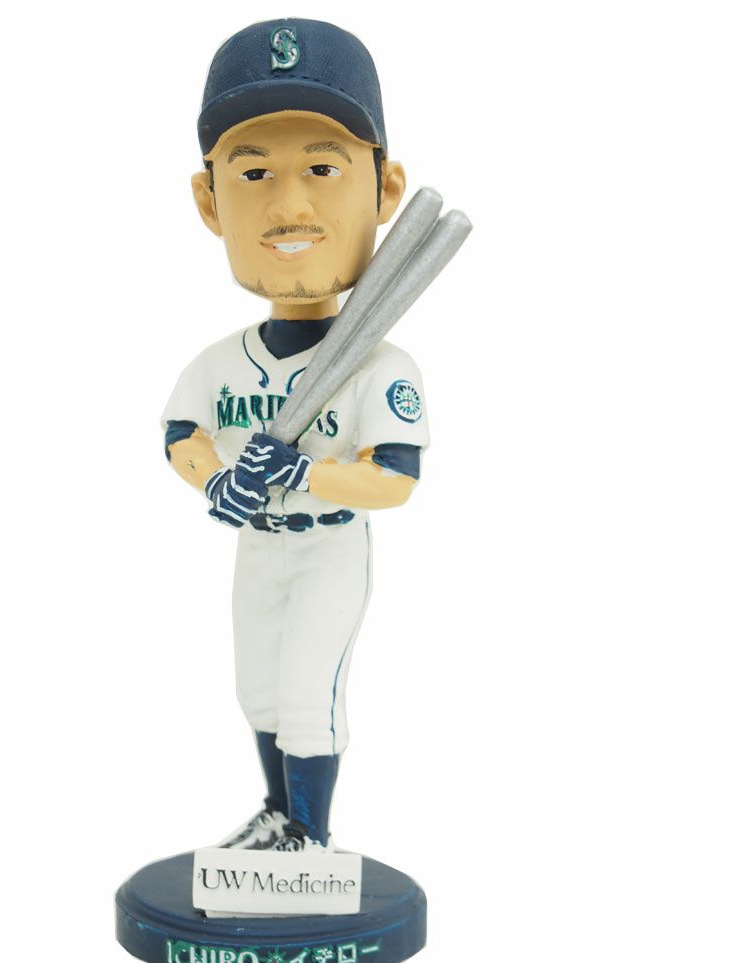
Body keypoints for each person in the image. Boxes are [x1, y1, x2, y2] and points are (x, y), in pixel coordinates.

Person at [161, 18, 430, 853]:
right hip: (259, 543)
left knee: (311, 693)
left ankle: (309, 834)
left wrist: (300, 475)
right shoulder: (221, 360)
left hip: (326, 546)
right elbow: (182, 432)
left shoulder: (379, 365)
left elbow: (393, 480)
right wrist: (217, 480)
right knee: (260, 691)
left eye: (323, 168)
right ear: (210, 200)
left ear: (384, 189)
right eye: (253, 172)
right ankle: (279, 815)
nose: (290, 204)